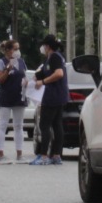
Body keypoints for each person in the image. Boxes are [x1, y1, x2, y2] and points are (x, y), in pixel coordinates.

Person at [31, 34, 68, 165]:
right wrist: (34, 78)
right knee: (57, 125)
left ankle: (44, 155)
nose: (42, 48)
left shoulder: (55, 57)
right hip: (58, 95)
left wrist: (43, 82)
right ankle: (56, 155)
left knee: (45, 125)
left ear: (47, 46)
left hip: (53, 96)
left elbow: (58, 73)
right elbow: (44, 72)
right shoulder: (51, 58)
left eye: (44, 45)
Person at [0, 39, 28, 163]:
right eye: (15, 49)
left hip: (19, 96)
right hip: (6, 96)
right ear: (8, 50)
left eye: (18, 48)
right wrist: (8, 69)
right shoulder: (1, 62)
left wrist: (27, 82)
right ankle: (0, 155)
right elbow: (0, 80)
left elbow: (24, 76)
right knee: (3, 124)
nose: (18, 51)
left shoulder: (22, 61)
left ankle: (19, 154)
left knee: (19, 126)